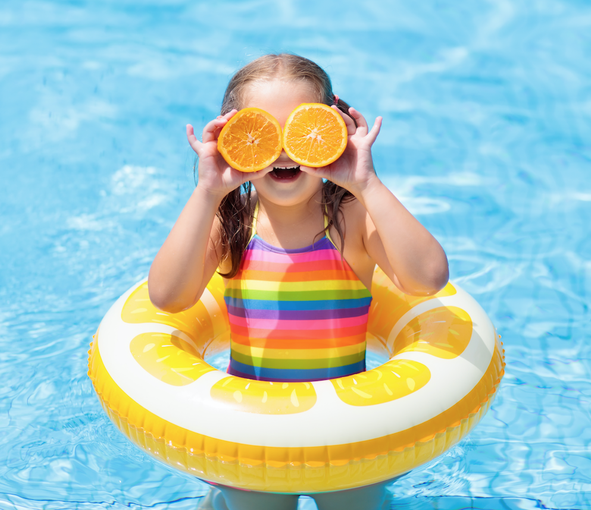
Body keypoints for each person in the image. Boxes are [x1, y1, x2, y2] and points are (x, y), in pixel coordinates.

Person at [147, 54, 449, 510]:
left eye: (301, 131)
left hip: (347, 438)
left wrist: (366, 182)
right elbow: (168, 297)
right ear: (232, 137)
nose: (284, 149)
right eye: (261, 131)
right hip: (252, 441)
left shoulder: (352, 221)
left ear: (335, 130)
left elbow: (428, 279)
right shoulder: (230, 223)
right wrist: (207, 191)